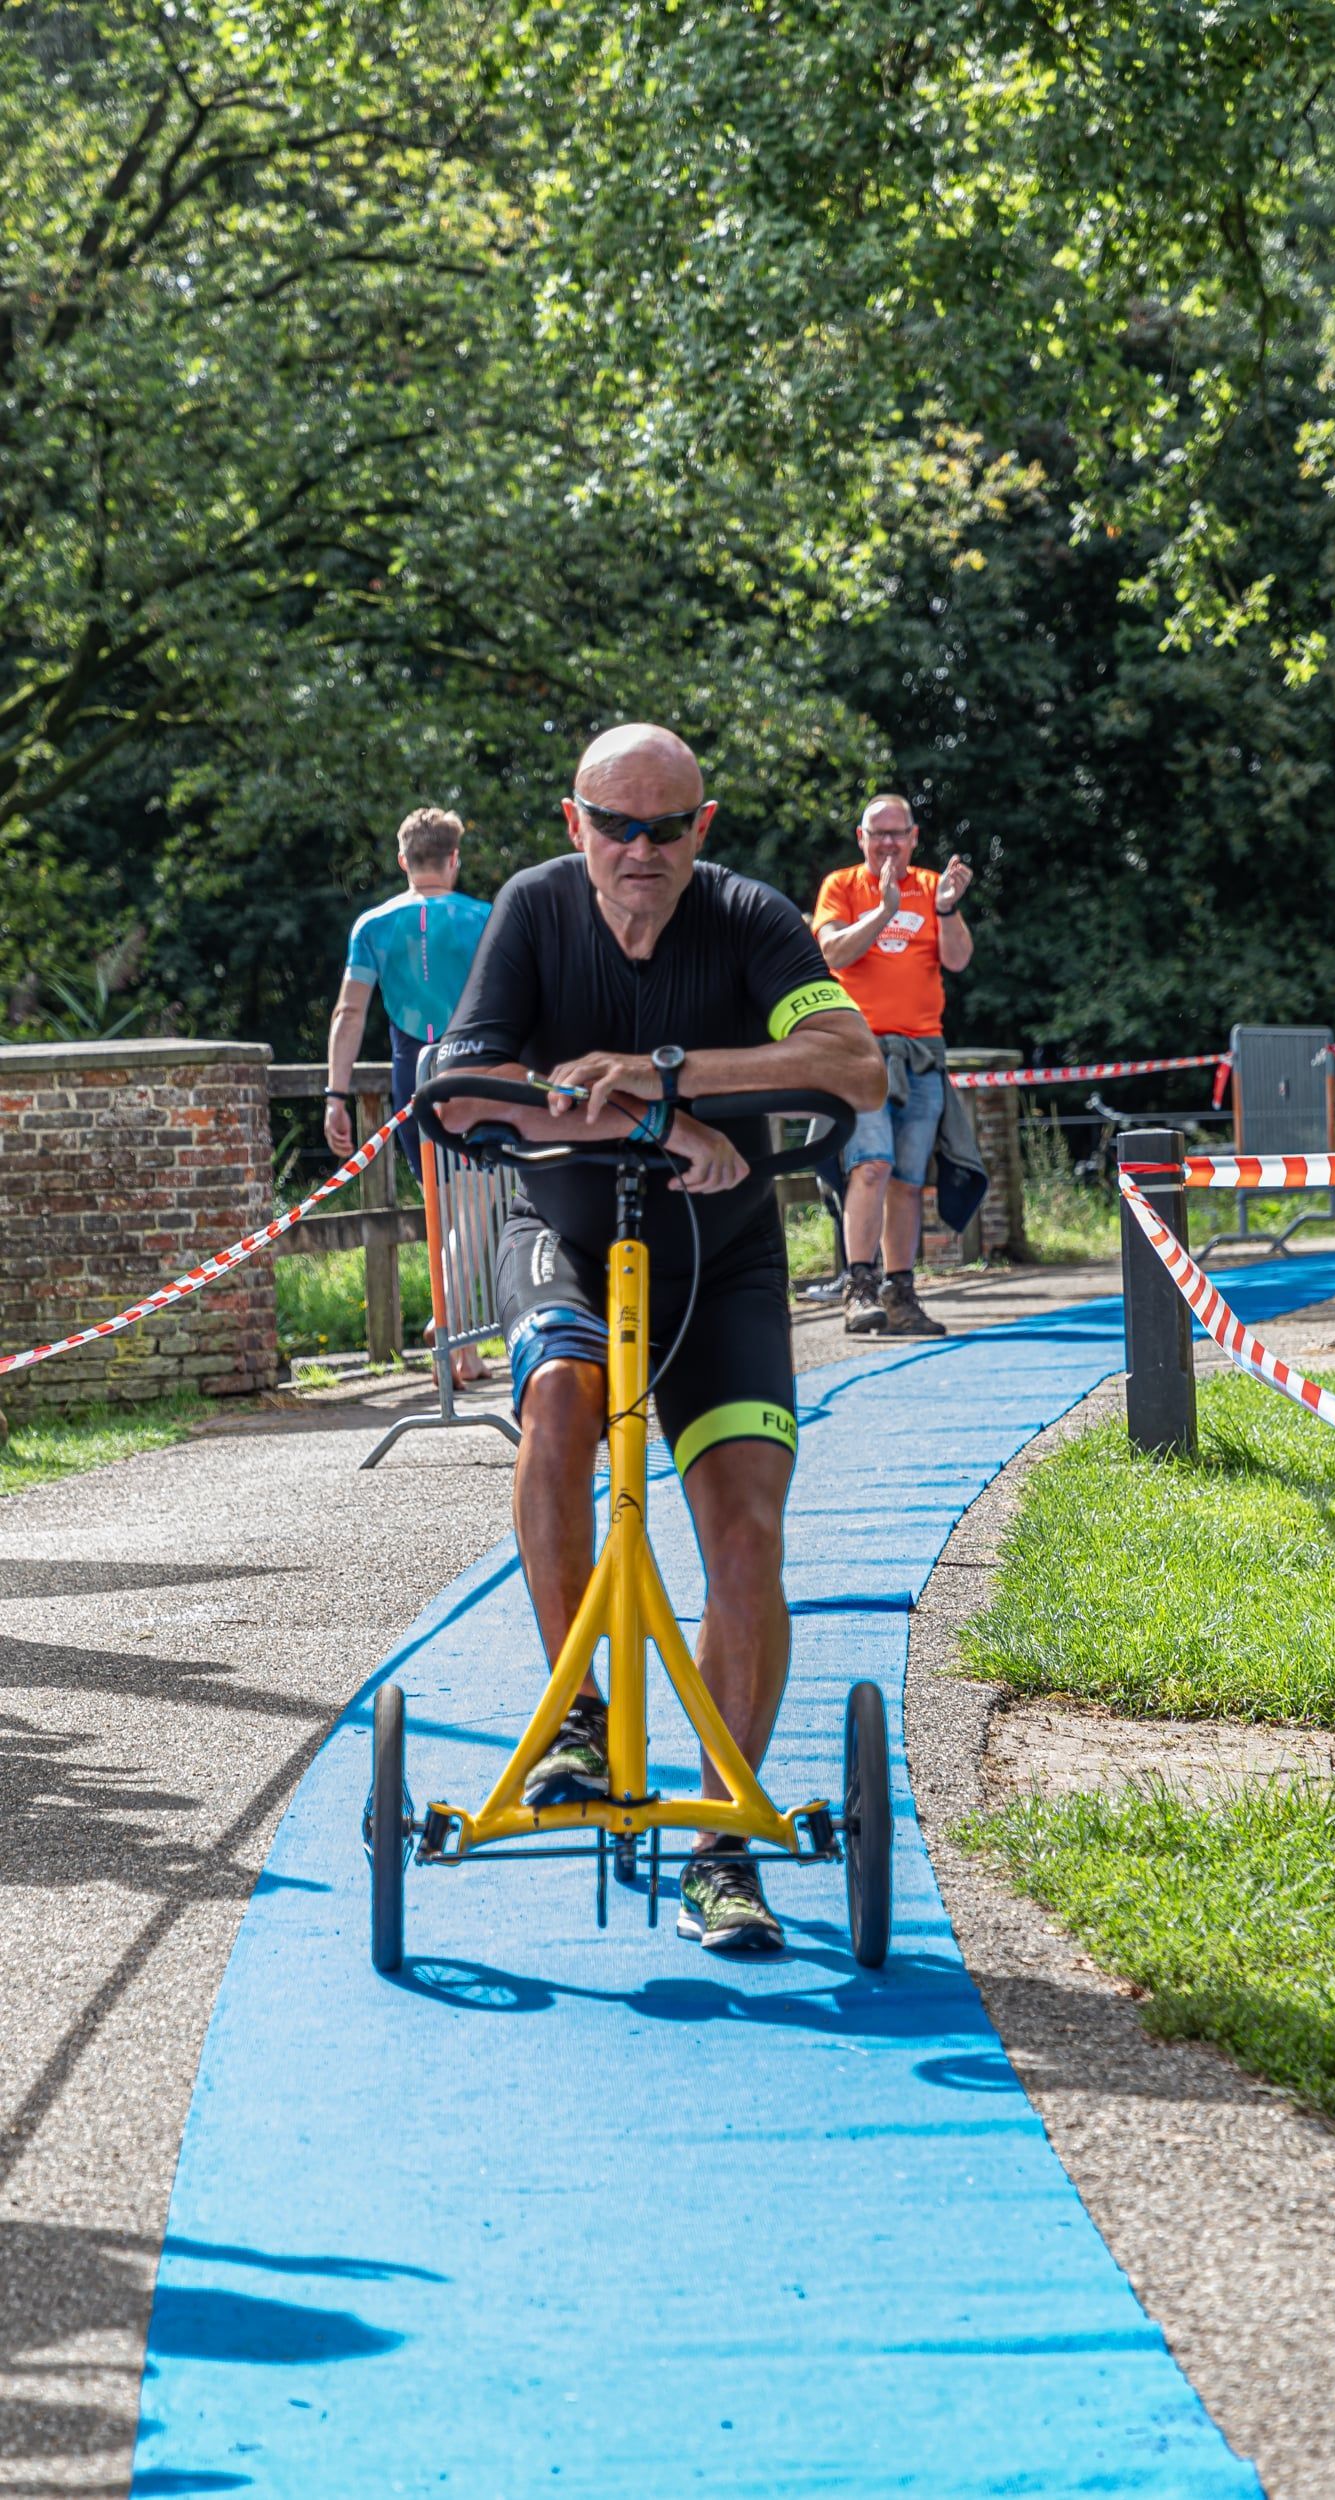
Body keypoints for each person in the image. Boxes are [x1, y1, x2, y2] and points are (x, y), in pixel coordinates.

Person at [432, 723, 884, 1954]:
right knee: (559, 1405)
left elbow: (852, 1067)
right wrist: (653, 1131)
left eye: (665, 827)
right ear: (573, 820)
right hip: (568, 1242)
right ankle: (575, 1718)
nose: (639, 849)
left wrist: (662, 1076)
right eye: (614, 824)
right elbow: (461, 1093)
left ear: (704, 827)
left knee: (745, 1534)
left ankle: (721, 1844)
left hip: (719, 1266)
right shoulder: (530, 911)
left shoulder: (748, 919)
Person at [324, 807, 494, 1385]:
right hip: (471, 1075)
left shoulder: (372, 925)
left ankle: (463, 1353)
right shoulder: (485, 918)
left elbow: (350, 1012)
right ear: (454, 859)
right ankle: (446, 1319)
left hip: (409, 1079)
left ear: (402, 860)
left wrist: (335, 1095)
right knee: (475, 1210)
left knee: (446, 1214)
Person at [812, 793, 974, 1335]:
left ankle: (900, 1297)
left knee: (906, 1179)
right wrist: (882, 911)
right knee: (870, 1165)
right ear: (860, 838)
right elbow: (833, 954)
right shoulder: (841, 887)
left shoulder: (932, 888)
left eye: (896, 833)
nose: (886, 842)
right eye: (876, 833)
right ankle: (859, 1289)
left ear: (913, 837)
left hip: (922, 1053)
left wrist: (947, 908)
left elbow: (957, 960)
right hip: (860, 1054)